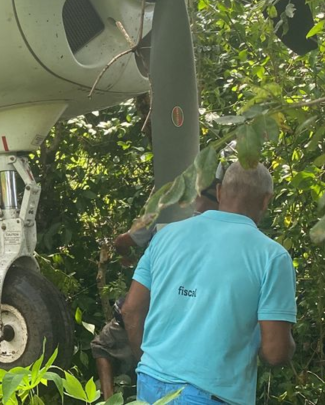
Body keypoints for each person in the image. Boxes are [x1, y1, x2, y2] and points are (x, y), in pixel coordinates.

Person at [121, 162, 296, 405]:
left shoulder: (166, 236)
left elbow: (130, 309)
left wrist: (153, 362)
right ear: (266, 200)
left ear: (220, 191)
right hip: (211, 394)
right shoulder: (272, 256)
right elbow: (275, 352)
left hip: (151, 383)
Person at [96, 177, 223, 397]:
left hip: (158, 308)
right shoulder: (226, 219)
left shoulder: (163, 208)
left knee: (102, 344)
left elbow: (123, 242)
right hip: (202, 310)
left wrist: (129, 258)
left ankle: (112, 399)